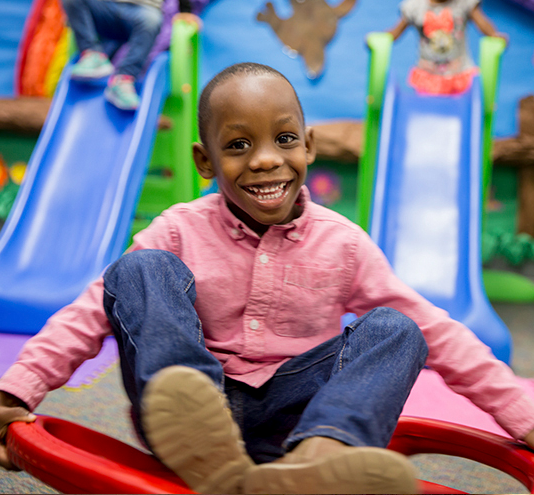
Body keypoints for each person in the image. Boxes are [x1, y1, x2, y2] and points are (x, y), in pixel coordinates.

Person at [1, 62, 534, 494]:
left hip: (295, 420)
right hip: (188, 407)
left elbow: (440, 333)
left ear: (308, 147)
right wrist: (16, 391)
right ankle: (204, 444)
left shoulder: (343, 242)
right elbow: (90, 310)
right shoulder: (178, 229)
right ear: (204, 161)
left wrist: (521, 414)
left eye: (283, 139)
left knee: (400, 327)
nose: (264, 161)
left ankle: (321, 459)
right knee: (138, 269)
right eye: (237, 146)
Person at [60, 0, 195, 111]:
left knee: (152, 19)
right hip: (111, 10)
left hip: (142, 14)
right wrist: (77, 11)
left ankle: (123, 79)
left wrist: (186, 11)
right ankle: (93, 55)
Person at [387, 0, 506, 95]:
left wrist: (494, 34)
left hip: (459, 73)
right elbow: (395, 32)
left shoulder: (464, 1)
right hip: (428, 75)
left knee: (461, 109)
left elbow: (482, 22)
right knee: (427, 110)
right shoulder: (416, 4)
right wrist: (380, 40)